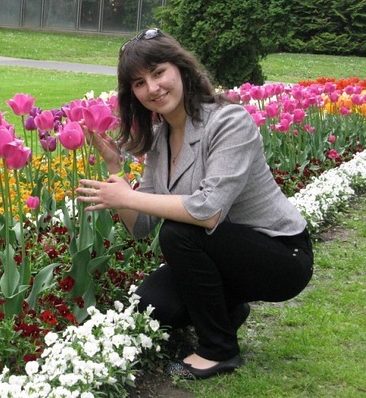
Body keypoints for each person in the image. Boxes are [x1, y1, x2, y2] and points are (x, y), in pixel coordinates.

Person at [76, 28, 313, 380]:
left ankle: (218, 350)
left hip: (279, 255)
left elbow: (208, 212)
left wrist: (126, 196)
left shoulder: (228, 121)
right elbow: (140, 227)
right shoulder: (160, 140)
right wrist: (115, 168)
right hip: (224, 254)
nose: (152, 88)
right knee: (152, 305)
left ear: (181, 68)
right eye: (139, 83)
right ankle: (227, 312)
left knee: (178, 232)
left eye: (158, 73)